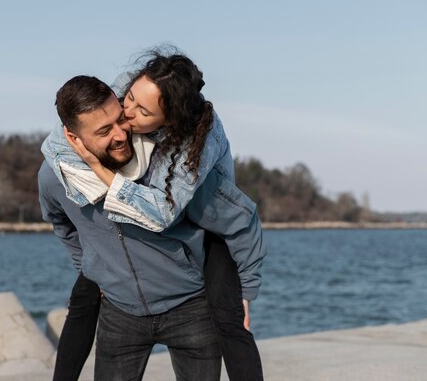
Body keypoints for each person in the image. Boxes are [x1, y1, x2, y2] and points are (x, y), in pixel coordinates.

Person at [42, 52, 264, 381]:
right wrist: (94, 266)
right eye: (126, 103)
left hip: (190, 305)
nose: (124, 125)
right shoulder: (55, 176)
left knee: (232, 322)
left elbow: (239, 221)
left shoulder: (178, 171)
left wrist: (245, 291)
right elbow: (62, 223)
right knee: (82, 302)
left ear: (166, 121)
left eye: (137, 114)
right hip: (121, 315)